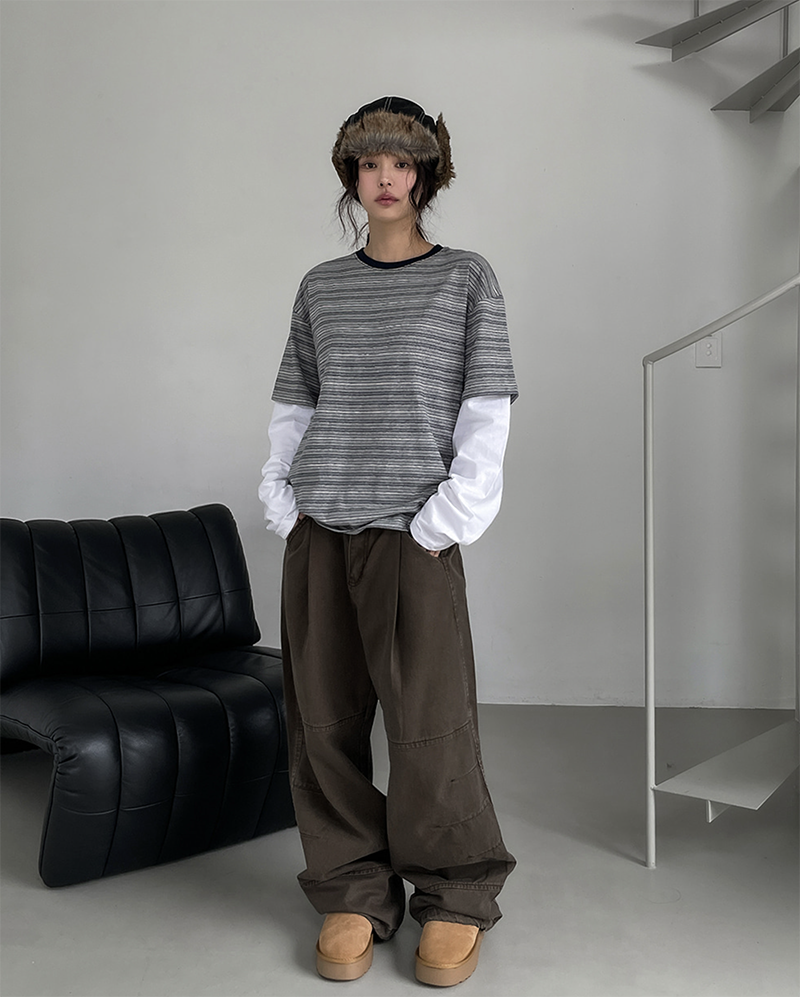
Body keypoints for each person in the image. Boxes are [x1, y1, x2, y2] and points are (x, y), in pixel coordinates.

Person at [258, 95, 518, 988]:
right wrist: (282, 499)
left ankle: (454, 891)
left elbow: (485, 409)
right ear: (351, 175)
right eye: (369, 163)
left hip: (413, 531)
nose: (385, 178)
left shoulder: (466, 279)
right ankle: (350, 887)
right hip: (321, 529)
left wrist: (445, 520)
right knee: (322, 720)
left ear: (426, 173)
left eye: (401, 162)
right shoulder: (321, 287)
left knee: (429, 724)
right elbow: (297, 403)